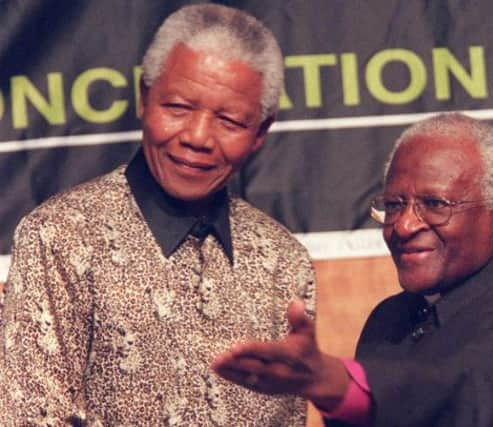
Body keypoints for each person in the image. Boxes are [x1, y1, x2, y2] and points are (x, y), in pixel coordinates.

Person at [0, 4, 315, 425]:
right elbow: (28, 416)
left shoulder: (284, 263)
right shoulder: (61, 237)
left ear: (260, 132)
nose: (198, 137)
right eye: (179, 107)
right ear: (144, 98)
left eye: (229, 120)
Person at [212, 113, 493, 426]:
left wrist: (336, 382)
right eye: (394, 205)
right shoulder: (391, 319)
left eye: (435, 204)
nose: (404, 226)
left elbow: (466, 393)